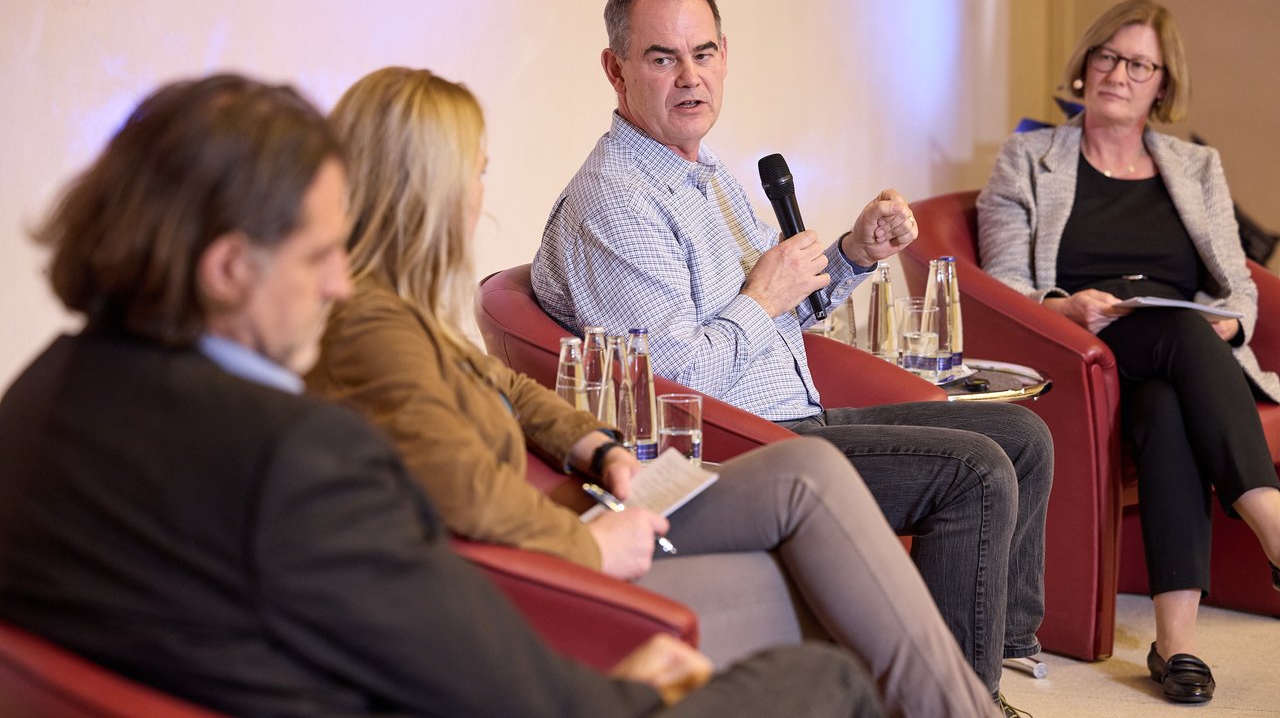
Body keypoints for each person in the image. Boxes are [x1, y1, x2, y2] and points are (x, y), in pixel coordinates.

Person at [0, 73, 880, 718]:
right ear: (229, 269)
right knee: (826, 680)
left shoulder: (35, 400)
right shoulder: (298, 456)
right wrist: (624, 684)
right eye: (317, 257)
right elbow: (506, 688)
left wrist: (594, 451)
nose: (339, 285)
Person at [305, 65, 999, 718]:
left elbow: (510, 387)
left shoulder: (396, 312)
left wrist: (594, 444)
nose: (481, 195)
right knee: (821, 545)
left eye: (702, 55)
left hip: (583, 510)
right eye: (476, 173)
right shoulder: (373, 326)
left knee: (814, 483)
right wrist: (592, 548)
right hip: (538, 571)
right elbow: (468, 492)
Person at [530, 0, 1053, 713]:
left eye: (704, 53)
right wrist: (761, 299)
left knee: (1021, 438)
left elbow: (778, 313)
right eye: (662, 58)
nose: (691, 77)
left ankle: (988, 659)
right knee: (975, 472)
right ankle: (959, 703)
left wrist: (851, 255)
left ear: (724, 55)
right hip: (741, 449)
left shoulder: (704, 172)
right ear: (615, 70)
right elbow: (674, 388)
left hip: (799, 414)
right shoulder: (616, 203)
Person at [977, 0, 1280, 705]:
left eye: (1139, 64)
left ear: (1162, 85)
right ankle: (1272, 521)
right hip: (1085, 347)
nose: (1118, 73)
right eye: (1107, 56)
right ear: (1084, 67)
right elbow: (1003, 288)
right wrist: (1066, 307)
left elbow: (1238, 286)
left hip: (1182, 351)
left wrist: (1230, 328)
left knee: (1169, 400)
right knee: (1175, 339)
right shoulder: (1028, 158)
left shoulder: (1195, 164)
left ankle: (1176, 645)